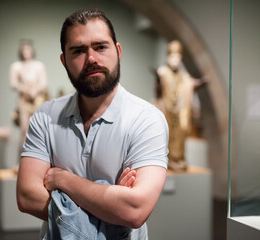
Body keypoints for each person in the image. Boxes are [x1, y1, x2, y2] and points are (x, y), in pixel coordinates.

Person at [16, 9, 169, 239]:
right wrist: (111, 204)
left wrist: (63, 181)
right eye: (78, 51)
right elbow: (27, 196)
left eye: (100, 47)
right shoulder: (46, 116)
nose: (91, 59)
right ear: (64, 60)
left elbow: (135, 210)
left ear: (118, 51)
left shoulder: (146, 119)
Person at [155, 40, 206, 172]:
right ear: (168, 57)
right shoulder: (162, 72)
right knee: (167, 133)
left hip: (180, 112)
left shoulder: (184, 76)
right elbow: (158, 93)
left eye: (178, 57)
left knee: (182, 131)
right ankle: (168, 159)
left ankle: (179, 159)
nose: (175, 60)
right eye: (173, 56)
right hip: (167, 111)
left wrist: (200, 83)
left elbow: (192, 83)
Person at [10, 40, 48, 150]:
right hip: (24, 100)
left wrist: (35, 91)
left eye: (28, 49)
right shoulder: (16, 66)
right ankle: (23, 159)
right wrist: (26, 90)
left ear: (32, 50)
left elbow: (43, 83)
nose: (26, 51)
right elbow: (13, 83)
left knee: (39, 129)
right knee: (24, 129)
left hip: (38, 99)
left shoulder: (39, 65)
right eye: (24, 49)